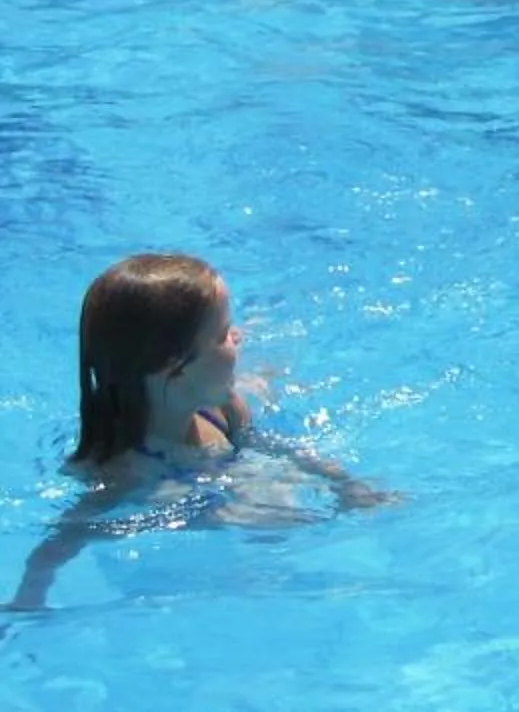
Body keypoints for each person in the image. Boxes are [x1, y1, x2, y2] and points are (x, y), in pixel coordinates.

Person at [12, 254, 387, 612]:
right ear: (175, 369)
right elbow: (60, 542)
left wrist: (344, 483)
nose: (236, 337)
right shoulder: (122, 472)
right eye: (224, 334)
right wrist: (28, 600)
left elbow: (273, 447)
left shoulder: (225, 407)